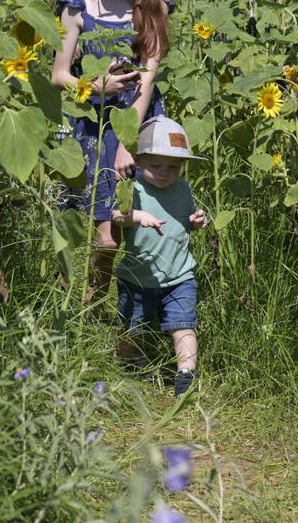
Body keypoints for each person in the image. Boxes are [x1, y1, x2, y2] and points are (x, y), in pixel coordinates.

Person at [51, 0, 171, 302]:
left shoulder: (153, 7)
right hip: (91, 125)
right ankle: (86, 307)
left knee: (134, 229)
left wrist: (127, 143)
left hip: (136, 122)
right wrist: (95, 86)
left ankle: (129, 313)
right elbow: (59, 75)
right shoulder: (76, 7)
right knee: (99, 234)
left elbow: (146, 82)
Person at [111, 116, 208, 396]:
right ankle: (126, 366)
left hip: (179, 276)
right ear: (139, 161)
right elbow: (116, 215)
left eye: (173, 167)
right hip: (137, 276)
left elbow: (184, 220)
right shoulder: (134, 188)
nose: (165, 173)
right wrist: (138, 216)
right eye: (156, 166)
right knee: (130, 328)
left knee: (183, 326)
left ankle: (186, 377)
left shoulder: (183, 188)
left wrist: (196, 221)